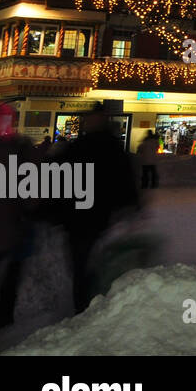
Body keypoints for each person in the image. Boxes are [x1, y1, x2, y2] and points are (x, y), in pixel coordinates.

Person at [55, 111, 140, 313]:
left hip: (84, 215)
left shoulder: (84, 147)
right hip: (91, 215)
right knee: (86, 262)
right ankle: (89, 303)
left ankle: (84, 306)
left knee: (82, 263)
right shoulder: (108, 147)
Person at [0, 104, 31, 340]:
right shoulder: (19, 150)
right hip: (11, 228)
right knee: (10, 276)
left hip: (4, 228)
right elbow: (32, 196)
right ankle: (5, 316)